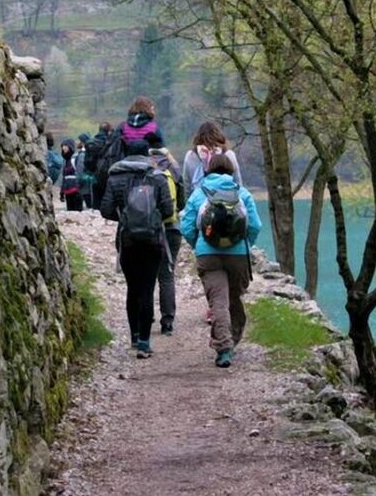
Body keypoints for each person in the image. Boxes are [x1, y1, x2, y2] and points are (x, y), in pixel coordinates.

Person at [180, 153, 261, 368]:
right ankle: (231, 341)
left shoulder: (199, 194)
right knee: (233, 299)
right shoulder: (241, 193)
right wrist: (245, 245)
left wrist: (198, 244)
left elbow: (186, 227)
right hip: (237, 255)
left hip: (208, 255)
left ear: (207, 171)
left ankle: (223, 348)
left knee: (218, 301)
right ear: (231, 171)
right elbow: (255, 226)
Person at [101, 139, 174, 359]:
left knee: (133, 288)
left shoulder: (115, 177)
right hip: (153, 241)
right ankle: (144, 342)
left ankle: (133, 336)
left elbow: (105, 209)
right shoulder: (157, 176)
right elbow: (168, 209)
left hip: (127, 240)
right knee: (148, 288)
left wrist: (125, 218)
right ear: (147, 154)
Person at [146, 131, 183, 335]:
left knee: (148, 275)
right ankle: (167, 321)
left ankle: (147, 317)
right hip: (172, 228)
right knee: (167, 276)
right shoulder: (173, 167)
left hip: (149, 229)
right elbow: (183, 197)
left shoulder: (145, 167)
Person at [183, 121, 242, 196]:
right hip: (228, 201)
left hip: (198, 202)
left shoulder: (190, 156)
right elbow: (238, 185)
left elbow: (187, 188)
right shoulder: (229, 155)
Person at [86, 122, 112, 209]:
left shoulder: (91, 143)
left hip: (94, 177)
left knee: (96, 202)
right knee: (108, 201)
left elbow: (86, 163)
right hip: (107, 176)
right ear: (108, 131)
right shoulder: (110, 143)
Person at [59, 139, 83, 211]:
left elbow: (79, 173)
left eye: (65, 145)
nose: (64, 148)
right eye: (62, 146)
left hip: (76, 192)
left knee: (78, 214)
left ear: (70, 147)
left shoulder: (75, 158)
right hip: (67, 192)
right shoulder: (65, 160)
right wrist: (62, 192)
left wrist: (80, 189)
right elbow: (64, 177)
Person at [74, 133, 94, 208]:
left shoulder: (82, 155)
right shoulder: (90, 152)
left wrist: (77, 184)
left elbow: (80, 171)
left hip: (85, 188)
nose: (76, 142)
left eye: (78, 140)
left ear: (82, 142)